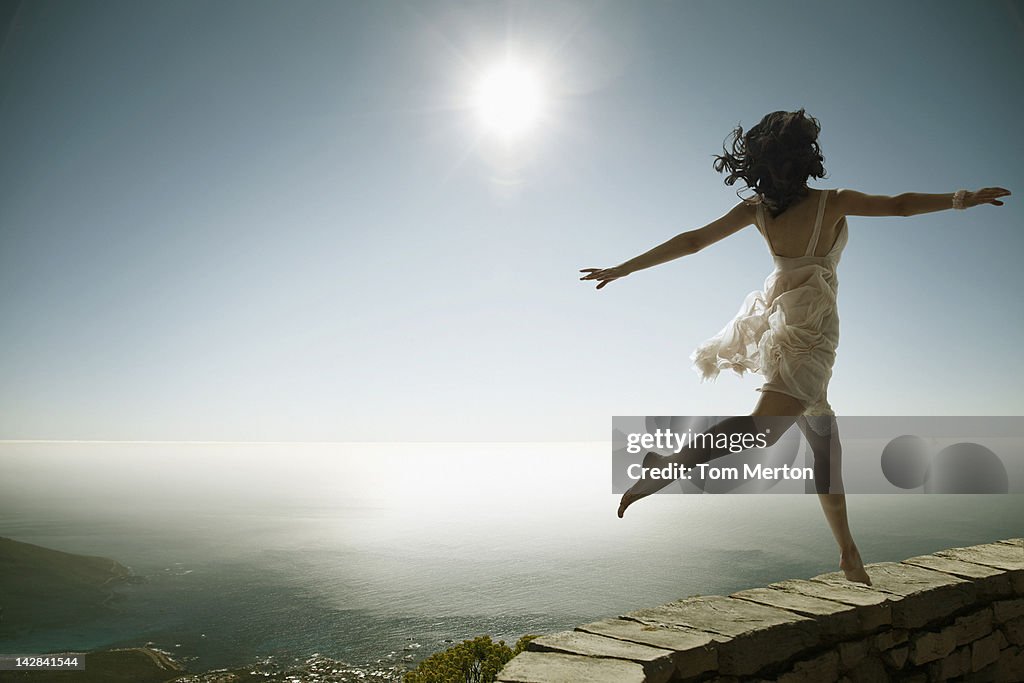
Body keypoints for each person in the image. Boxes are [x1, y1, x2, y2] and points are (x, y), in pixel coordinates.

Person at [580, 108, 1011, 585]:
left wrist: (622, 269)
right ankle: (667, 464)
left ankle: (848, 555)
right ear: (802, 158)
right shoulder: (829, 201)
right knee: (768, 431)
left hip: (788, 319)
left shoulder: (760, 210)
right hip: (809, 326)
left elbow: (692, 242)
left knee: (825, 446)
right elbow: (900, 205)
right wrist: (959, 199)